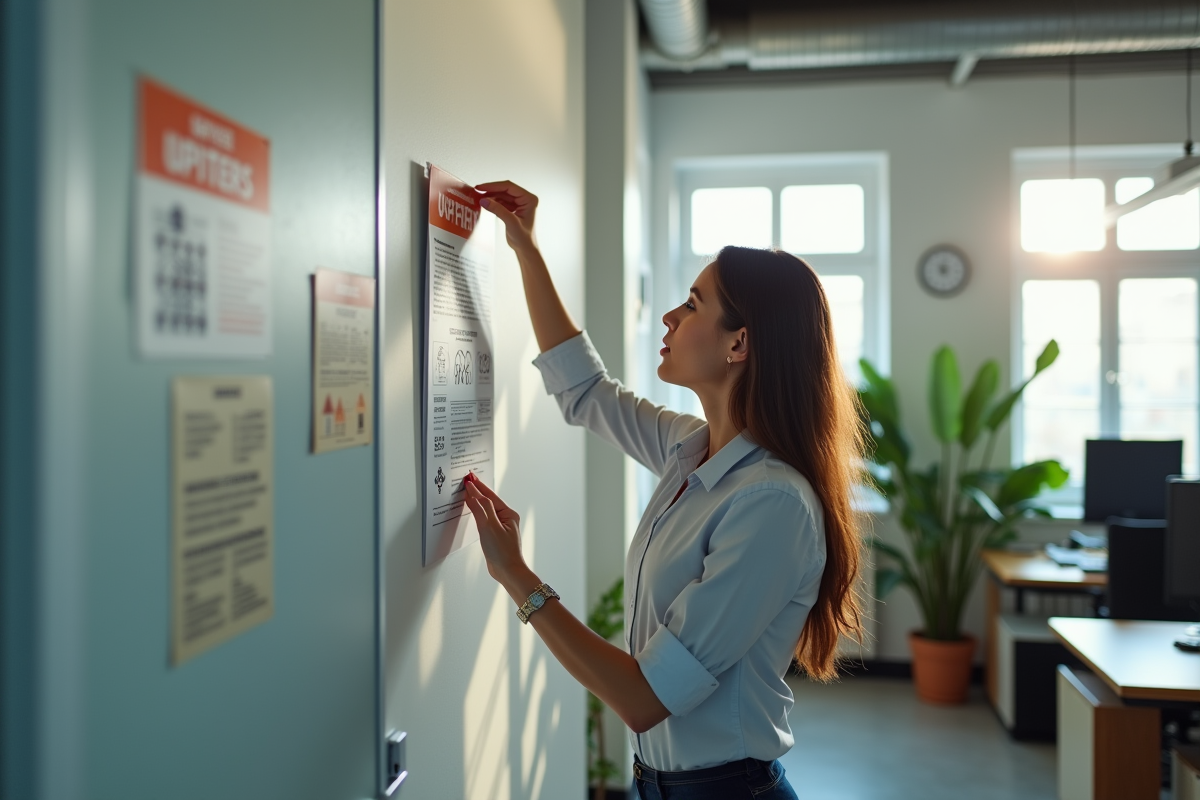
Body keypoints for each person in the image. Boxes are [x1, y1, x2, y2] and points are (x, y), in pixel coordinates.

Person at [461, 180, 866, 800]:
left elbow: (643, 698)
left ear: (740, 343)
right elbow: (585, 393)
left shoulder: (771, 504)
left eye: (693, 304)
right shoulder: (691, 448)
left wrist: (516, 574)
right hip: (660, 785)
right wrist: (525, 246)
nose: (670, 317)